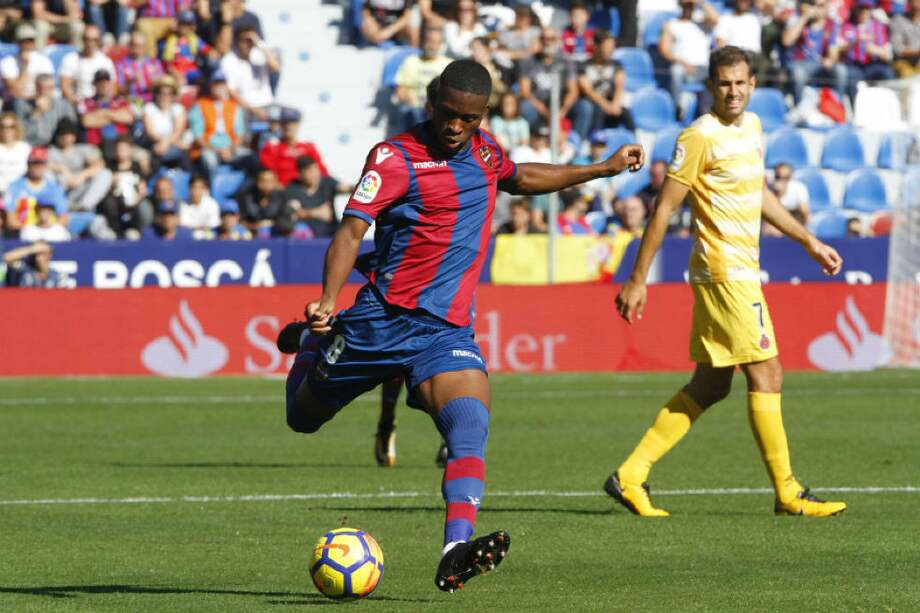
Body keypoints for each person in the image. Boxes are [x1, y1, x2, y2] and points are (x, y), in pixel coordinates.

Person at [273, 59, 644, 592]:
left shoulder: (486, 150)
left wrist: (601, 169)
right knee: (300, 418)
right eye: (447, 114)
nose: (455, 127)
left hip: (444, 334)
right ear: (432, 103)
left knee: (470, 427)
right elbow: (353, 229)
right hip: (378, 323)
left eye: (467, 119)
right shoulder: (395, 157)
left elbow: (521, 177)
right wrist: (328, 301)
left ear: (482, 115)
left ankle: (454, 549)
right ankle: (312, 344)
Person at [607, 46, 847, 519]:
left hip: (738, 270)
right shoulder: (698, 137)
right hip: (724, 272)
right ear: (710, 87)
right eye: (723, 83)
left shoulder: (753, 128)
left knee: (712, 384)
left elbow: (759, 194)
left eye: (740, 82)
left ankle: (630, 476)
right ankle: (788, 492)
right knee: (767, 372)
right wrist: (638, 278)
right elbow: (664, 209)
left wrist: (808, 241)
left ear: (752, 85)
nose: (732, 91)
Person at [659, 0, 719, 115]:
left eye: (691, 4)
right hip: (683, 68)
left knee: (716, 72)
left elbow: (715, 18)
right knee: (676, 70)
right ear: (680, 4)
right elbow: (664, 50)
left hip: (703, 69)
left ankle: (709, 112)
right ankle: (677, 109)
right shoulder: (671, 24)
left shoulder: (703, 23)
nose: (688, 6)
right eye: (686, 4)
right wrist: (684, 64)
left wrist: (700, 2)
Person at [781, 0, 846, 103]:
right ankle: (800, 108)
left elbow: (833, 52)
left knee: (841, 70)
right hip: (799, 64)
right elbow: (787, 41)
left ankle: (838, 105)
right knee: (798, 73)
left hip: (820, 65)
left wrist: (830, 60)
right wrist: (804, 17)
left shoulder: (831, 24)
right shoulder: (797, 18)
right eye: (812, 4)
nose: (815, 8)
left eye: (820, 6)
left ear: (826, 7)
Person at [188, 68, 248, 180]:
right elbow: (198, 137)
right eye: (216, 84)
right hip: (209, 149)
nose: (219, 87)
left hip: (230, 148)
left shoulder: (234, 107)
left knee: (250, 158)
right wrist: (218, 150)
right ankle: (212, 192)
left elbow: (240, 135)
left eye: (222, 84)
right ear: (210, 86)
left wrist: (230, 150)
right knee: (209, 160)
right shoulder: (200, 106)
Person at [574, 29, 634, 140]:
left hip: (611, 103)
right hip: (594, 103)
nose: (610, 50)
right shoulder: (583, 66)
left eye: (612, 47)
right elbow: (587, 90)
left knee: (626, 112)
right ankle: (594, 143)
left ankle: (635, 141)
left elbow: (620, 85)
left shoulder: (617, 65)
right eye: (606, 47)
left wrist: (615, 105)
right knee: (596, 110)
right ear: (596, 46)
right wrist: (606, 105)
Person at [516, 27, 580, 128]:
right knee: (526, 107)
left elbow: (573, 91)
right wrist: (544, 111)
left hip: (560, 104)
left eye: (551, 39)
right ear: (539, 40)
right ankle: (532, 136)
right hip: (537, 104)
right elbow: (525, 92)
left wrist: (562, 111)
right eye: (544, 38)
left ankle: (578, 140)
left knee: (584, 106)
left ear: (557, 40)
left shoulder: (567, 62)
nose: (547, 42)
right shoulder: (528, 61)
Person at [47, 118, 113, 213]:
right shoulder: (51, 151)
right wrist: (62, 169)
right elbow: (43, 164)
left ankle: (84, 206)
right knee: (48, 174)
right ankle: (57, 205)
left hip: (79, 189)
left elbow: (99, 164)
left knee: (105, 174)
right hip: (61, 189)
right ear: (57, 136)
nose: (67, 139)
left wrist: (82, 175)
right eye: (63, 135)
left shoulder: (81, 149)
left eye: (70, 135)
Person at [394, 28, 452, 130]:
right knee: (410, 112)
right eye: (429, 41)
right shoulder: (411, 61)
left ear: (441, 44)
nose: (432, 45)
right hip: (415, 107)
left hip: (438, 110)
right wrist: (410, 100)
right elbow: (400, 89)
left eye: (436, 42)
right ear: (424, 41)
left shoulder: (449, 64)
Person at [839, 0, 896, 102]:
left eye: (867, 9)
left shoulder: (878, 27)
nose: (864, 12)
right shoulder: (846, 25)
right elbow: (839, 50)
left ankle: (889, 105)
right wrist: (855, 41)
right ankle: (854, 108)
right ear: (855, 9)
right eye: (861, 8)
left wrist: (877, 51)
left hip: (873, 65)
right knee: (850, 77)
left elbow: (888, 55)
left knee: (887, 73)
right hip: (853, 66)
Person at [4, 146, 69, 234]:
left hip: (50, 232)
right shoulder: (14, 187)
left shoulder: (55, 188)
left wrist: (49, 229)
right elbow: (10, 220)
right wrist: (32, 229)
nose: (38, 166)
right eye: (34, 162)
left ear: (46, 165)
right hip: (23, 233)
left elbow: (63, 218)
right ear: (28, 164)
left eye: (41, 163)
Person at [220, 24, 280, 119]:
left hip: (267, 104)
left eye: (250, 40)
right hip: (243, 108)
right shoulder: (229, 60)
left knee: (290, 117)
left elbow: (275, 67)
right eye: (243, 40)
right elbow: (231, 90)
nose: (247, 44)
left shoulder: (260, 54)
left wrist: (259, 43)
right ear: (236, 41)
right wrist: (253, 110)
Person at [259, 107, 328, 186]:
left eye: (293, 122)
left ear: (298, 124)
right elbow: (268, 178)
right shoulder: (271, 147)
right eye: (285, 123)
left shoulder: (308, 146)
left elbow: (322, 171)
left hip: (307, 191)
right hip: (284, 193)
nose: (288, 126)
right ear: (280, 125)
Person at [78, 69, 135, 158]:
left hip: (121, 147)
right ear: (94, 84)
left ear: (110, 83)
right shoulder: (86, 102)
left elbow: (128, 117)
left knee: (142, 158)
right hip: (96, 146)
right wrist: (115, 116)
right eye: (100, 82)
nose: (103, 85)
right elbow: (86, 121)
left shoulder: (120, 100)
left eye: (106, 82)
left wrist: (104, 113)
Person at [283, 156, 344, 238]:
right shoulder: (292, 188)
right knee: (299, 229)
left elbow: (343, 188)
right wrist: (316, 213)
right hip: (307, 236)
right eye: (310, 171)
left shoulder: (327, 182)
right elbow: (292, 214)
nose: (315, 174)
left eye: (316, 170)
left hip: (331, 230)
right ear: (300, 174)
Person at [12, 73, 78, 147]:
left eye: (49, 88)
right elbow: (20, 133)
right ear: (36, 88)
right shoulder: (21, 104)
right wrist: (37, 112)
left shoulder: (64, 105)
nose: (44, 92)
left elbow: (71, 130)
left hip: (55, 147)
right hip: (28, 146)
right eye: (41, 88)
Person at [142, 76, 191, 172]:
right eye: (161, 93)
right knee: (157, 154)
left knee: (182, 153)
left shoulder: (178, 109)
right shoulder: (149, 108)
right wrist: (165, 143)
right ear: (156, 94)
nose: (164, 96)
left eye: (169, 94)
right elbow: (151, 133)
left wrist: (165, 143)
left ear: (173, 96)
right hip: (154, 144)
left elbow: (178, 131)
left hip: (170, 144)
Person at [59, 25, 118, 105]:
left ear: (99, 41)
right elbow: (65, 85)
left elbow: (113, 88)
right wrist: (78, 104)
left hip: (100, 105)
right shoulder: (71, 59)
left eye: (95, 40)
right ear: (82, 39)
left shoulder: (106, 62)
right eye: (87, 39)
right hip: (77, 104)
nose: (90, 43)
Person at [1, 24, 54, 100]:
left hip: (39, 99)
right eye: (23, 41)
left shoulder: (44, 60)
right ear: (17, 42)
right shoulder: (7, 62)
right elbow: (14, 90)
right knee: (20, 103)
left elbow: (47, 88)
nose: (27, 44)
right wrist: (25, 66)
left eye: (30, 40)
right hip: (16, 101)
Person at [116, 30, 167, 103]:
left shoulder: (155, 63)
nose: (137, 48)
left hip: (151, 101)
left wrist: (154, 84)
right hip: (130, 101)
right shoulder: (120, 64)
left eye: (141, 46)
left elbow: (162, 86)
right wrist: (130, 82)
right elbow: (118, 90)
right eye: (135, 45)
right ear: (130, 45)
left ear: (145, 46)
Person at [237, 166, 287, 236]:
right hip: (251, 232)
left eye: (270, 181)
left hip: (275, 233)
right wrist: (257, 226)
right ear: (257, 182)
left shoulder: (281, 197)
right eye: (263, 181)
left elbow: (285, 221)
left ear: (275, 182)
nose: (267, 185)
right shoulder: (246, 197)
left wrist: (270, 224)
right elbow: (240, 221)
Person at [3, 241, 67, 288]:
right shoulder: (24, 269)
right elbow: (6, 258)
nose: (38, 257)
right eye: (36, 254)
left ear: (49, 255)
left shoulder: (57, 276)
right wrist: (31, 249)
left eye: (42, 253)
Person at [179, 174, 220, 238]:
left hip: (208, 239)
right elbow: (183, 226)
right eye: (193, 187)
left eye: (199, 187)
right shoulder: (182, 204)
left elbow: (213, 225)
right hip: (189, 239)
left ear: (204, 189)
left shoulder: (212, 204)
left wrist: (194, 227)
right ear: (189, 189)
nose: (196, 191)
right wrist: (202, 227)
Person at [0, 112, 31, 194]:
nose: (7, 130)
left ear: (16, 128)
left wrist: (61, 168)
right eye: (3, 127)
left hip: (23, 192)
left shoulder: (25, 148)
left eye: (11, 127)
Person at [891, 0, 920, 77]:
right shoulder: (898, 20)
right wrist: (916, 52)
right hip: (903, 62)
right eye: (913, 2)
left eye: (918, 2)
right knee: (909, 79)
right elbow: (897, 49)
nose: (915, 5)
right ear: (908, 3)